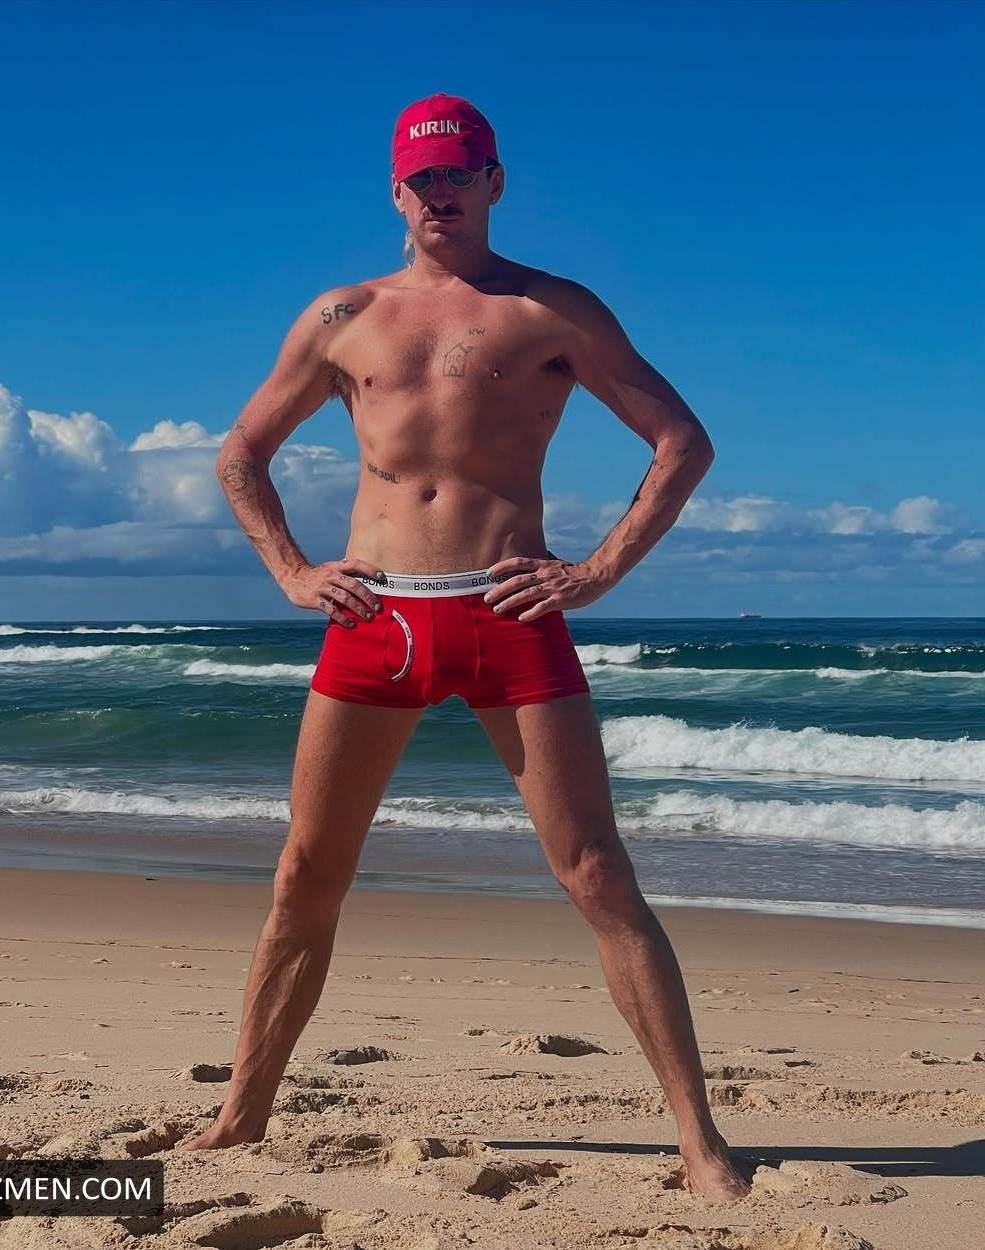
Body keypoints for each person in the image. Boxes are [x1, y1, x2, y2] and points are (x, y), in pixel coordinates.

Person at [176, 92, 750, 1202]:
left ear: (495, 181)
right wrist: (292, 571)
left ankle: (699, 1139)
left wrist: (597, 571)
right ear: (396, 191)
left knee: (597, 872)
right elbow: (241, 452)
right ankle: (240, 1114)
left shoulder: (552, 309)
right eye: (421, 177)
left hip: (508, 614)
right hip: (376, 618)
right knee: (306, 873)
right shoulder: (342, 314)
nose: (440, 193)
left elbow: (683, 441)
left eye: (459, 173)